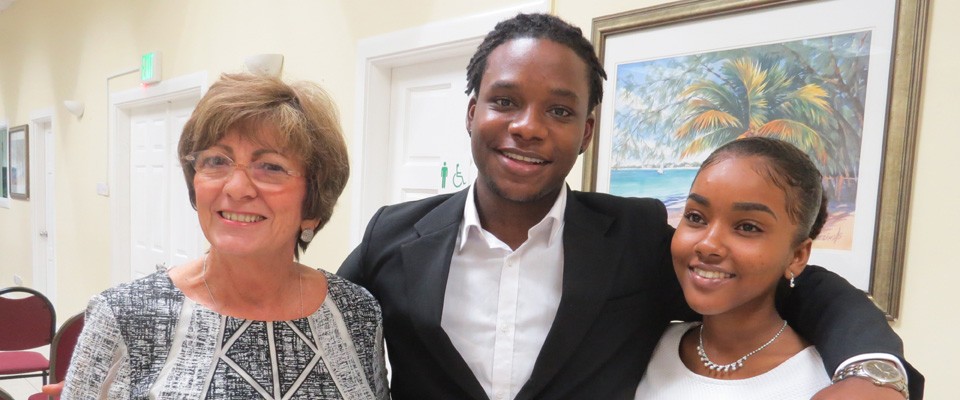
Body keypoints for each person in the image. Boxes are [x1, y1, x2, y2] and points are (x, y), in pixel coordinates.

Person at [339, 12, 921, 400]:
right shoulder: (396, 234)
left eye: (560, 112)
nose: (528, 128)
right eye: (505, 101)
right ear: (472, 113)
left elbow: (798, 286)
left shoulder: (636, 235)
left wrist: (873, 370)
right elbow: (316, 317)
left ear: (587, 130)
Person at [61, 73, 388, 399]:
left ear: (313, 201)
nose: (236, 188)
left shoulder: (355, 313)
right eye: (217, 161)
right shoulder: (126, 316)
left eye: (270, 167)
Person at [636, 137, 882, 398]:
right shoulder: (645, 347)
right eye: (696, 217)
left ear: (797, 256)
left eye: (747, 227)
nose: (708, 245)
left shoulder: (827, 382)